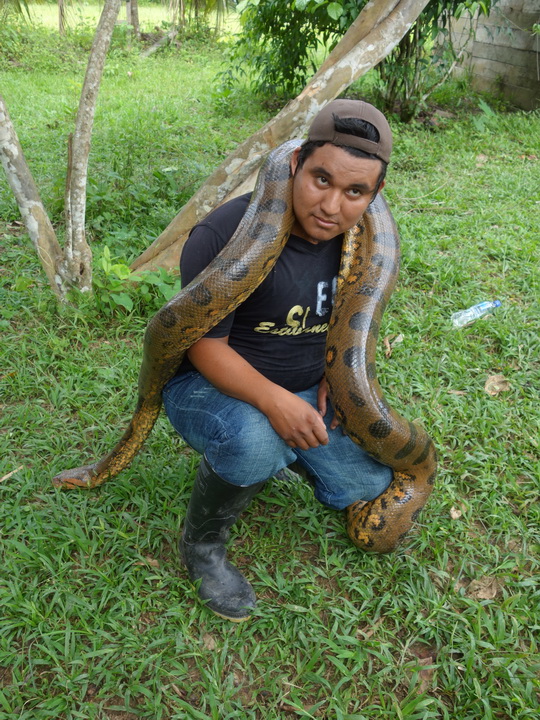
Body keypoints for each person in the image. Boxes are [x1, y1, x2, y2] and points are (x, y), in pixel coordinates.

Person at [162, 99, 394, 622]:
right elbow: (203, 346)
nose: (330, 206)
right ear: (295, 164)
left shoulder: (363, 246)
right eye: (320, 180)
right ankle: (203, 546)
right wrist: (274, 402)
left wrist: (336, 375)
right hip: (207, 385)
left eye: (354, 192)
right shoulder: (227, 235)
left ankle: (284, 454)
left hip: (307, 386)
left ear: (374, 193)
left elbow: (354, 323)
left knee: (367, 486)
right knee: (255, 439)